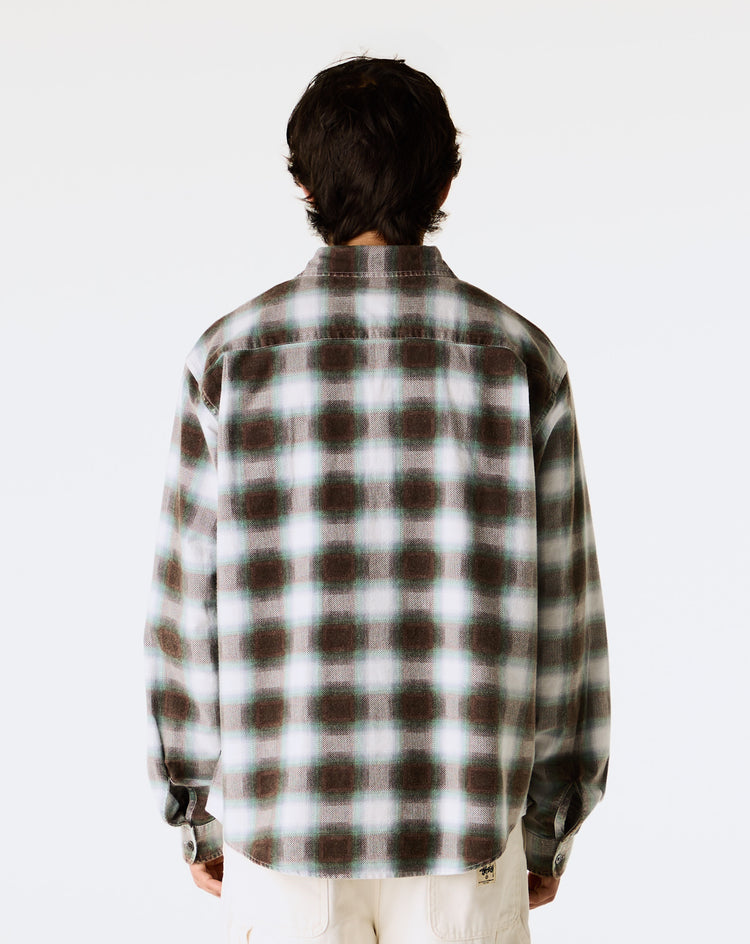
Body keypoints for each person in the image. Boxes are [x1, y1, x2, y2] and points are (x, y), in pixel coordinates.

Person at [144, 54, 610, 943]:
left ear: (304, 183)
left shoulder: (229, 359)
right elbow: (566, 618)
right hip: (467, 831)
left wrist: (195, 808)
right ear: (445, 182)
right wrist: (550, 823)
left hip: (284, 831)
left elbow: (184, 611)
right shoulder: (519, 358)